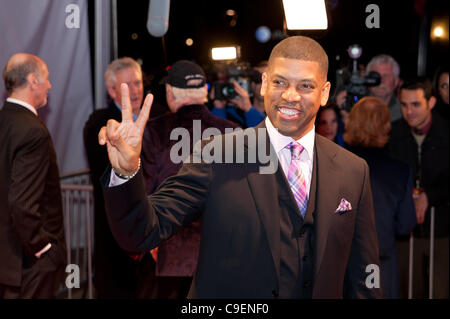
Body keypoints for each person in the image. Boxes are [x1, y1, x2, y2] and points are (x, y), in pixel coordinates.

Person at [98, 36, 382, 298]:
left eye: (305, 85)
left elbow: (363, 277)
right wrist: (125, 172)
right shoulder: (217, 155)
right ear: (265, 82)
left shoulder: (353, 171)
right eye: (280, 82)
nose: (290, 96)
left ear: (324, 93)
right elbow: (142, 231)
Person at [141, 60, 239, 299]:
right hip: (223, 253)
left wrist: (148, 239)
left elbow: (145, 192)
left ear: (170, 93)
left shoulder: (154, 131)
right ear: (205, 91)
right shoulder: (234, 132)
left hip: (171, 251)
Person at [83, 57, 156, 298]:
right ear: (112, 90)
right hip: (116, 237)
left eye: (137, 83)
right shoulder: (99, 124)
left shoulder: (159, 118)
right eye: (127, 86)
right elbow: (104, 168)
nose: (135, 91)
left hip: (157, 233)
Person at [0, 53, 66, 298]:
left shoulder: (4, 121)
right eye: (47, 79)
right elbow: (22, 204)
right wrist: (44, 248)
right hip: (29, 263)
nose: (50, 85)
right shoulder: (33, 132)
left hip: (8, 262)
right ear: (33, 80)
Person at [344, 97, 416, 298]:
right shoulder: (400, 171)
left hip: (342, 264)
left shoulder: (335, 163)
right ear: (386, 126)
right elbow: (405, 225)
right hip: (381, 264)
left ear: (351, 122)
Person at [388, 78, 449, 299]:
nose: (409, 111)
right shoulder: (393, 134)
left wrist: (429, 197)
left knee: (439, 289)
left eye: (415, 104)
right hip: (405, 232)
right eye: (404, 105)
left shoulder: (446, 131)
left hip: (441, 231)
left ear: (431, 102)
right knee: (405, 289)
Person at [366, 54, 402, 122]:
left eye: (386, 76)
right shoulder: (356, 107)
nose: (381, 81)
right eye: (376, 76)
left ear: (396, 81)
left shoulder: (404, 111)